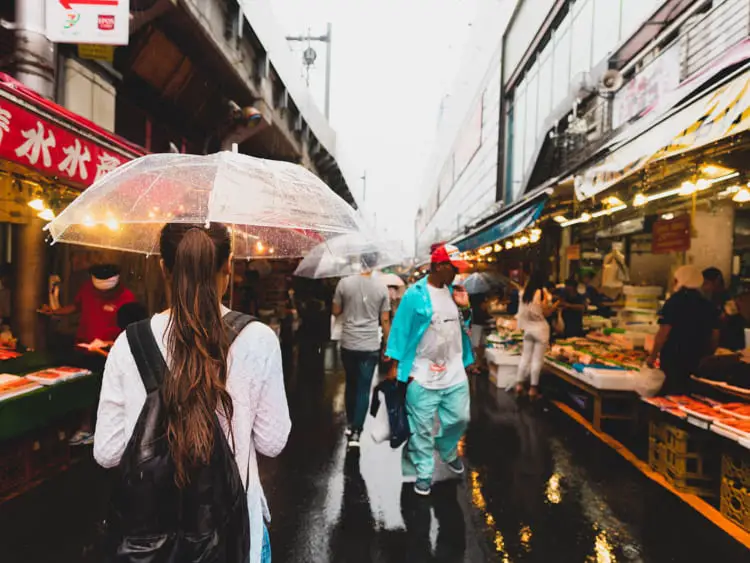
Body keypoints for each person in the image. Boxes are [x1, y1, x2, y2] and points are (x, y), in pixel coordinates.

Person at [93, 223, 291, 563]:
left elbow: (108, 452)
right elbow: (273, 441)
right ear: (228, 266)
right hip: (233, 536)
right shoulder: (258, 340)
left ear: (164, 267)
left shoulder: (130, 342)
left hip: (150, 540)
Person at [385, 244, 473, 496]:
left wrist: (466, 309)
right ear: (439, 266)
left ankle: (446, 449)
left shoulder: (456, 293)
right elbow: (401, 328)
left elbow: (465, 326)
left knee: (460, 418)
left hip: (454, 370)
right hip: (422, 372)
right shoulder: (415, 294)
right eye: (453, 268)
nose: (456, 273)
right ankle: (424, 471)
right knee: (421, 428)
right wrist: (395, 364)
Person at [39, 263, 136, 445]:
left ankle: (91, 429)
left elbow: (130, 327)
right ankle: (81, 427)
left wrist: (109, 343)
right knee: (79, 388)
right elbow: (75, 307)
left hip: (108, 353)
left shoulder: (127, 297)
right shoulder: (87, 289)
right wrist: (55, 311)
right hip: (83, 348)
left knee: (101, 392)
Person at [333, 253, 391, 448]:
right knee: (363, 388)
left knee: (351, 383)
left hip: (348, 342)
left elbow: (335, 311)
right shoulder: (381, 287)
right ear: (375, 264)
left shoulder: (344, 283)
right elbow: (384, 320)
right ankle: (357, 430)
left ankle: (350, 424)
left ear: (360, 261)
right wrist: (387, 346)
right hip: (370, 345)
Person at [648, 265, 719, 395]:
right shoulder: (708, 305)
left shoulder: (673, 302)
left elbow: (663, 332)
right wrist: (708, 355)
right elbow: (715, 335)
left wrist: (652, 356)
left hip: (673, 357)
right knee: (691, 394)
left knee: (671, 394)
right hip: (697, 357)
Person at [515, 271, 557, 400]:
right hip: (540, 329)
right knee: (537, 359)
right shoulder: (542, 293)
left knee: (525, 357)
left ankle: (519, 384)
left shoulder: (524, 293)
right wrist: (556, 305)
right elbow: (546, 312)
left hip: (528, 329)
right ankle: (533, 389)